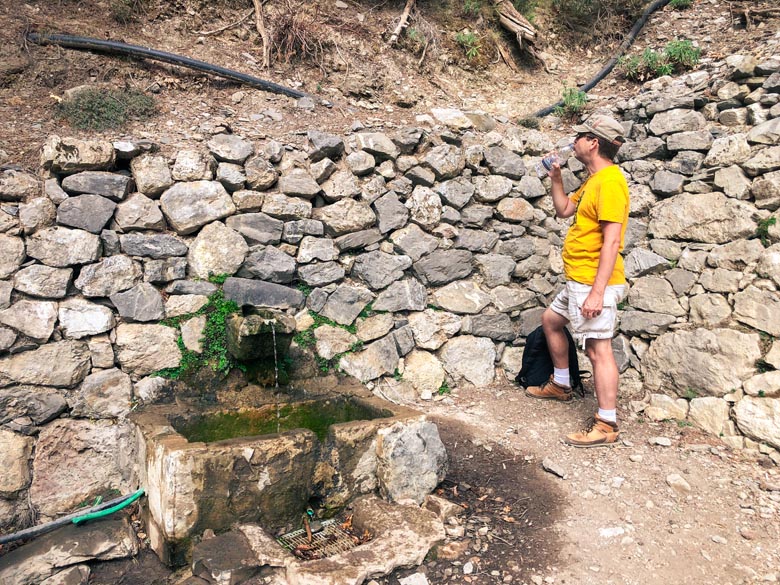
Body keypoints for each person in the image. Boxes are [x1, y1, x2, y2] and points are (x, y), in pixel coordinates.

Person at [526, 114, 629, 448]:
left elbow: (612, 241)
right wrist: (556, 177)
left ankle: (606, 422)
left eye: (580, 136)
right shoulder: (594, 180)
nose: (575, 141)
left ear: (594, 142)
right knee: (551, 321)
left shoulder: (611, 182)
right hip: (578, 278)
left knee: (599, 350)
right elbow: (565, 210)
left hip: (592, 281)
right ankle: (561, 383)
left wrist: (597, 293)